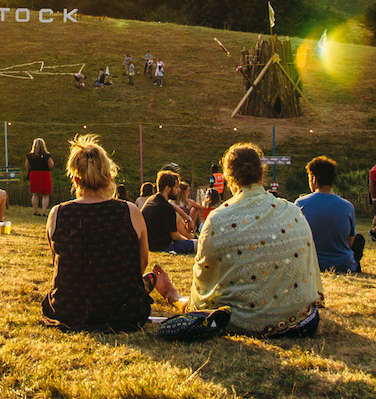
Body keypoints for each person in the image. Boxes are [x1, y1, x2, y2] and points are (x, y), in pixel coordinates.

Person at [150, 143, 323, 337]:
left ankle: (172, 294)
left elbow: (204, 288)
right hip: (301, 323)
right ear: (262, 175)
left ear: (228, 179)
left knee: (209, 310)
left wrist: (173, 295)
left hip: (238, 322)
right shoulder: (292, 211)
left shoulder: (218, 220)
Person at [39, 135, 153, 331]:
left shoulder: (57, 214)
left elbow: (58, 264)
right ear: (109, 178)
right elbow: (141, 262)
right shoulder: (131, 212)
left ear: (75, 180)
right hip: (123, 312)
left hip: (69, 310)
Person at [296, 155, 363, 273]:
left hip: (311, 264)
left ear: (314, 179)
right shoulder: (347, 206)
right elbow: (350, 242)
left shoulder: (301, 203)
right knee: (359, 239)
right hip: (344, 265)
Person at [140, 170, 196, 255]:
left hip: (149, 244)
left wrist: (187, 218)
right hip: (164, 246)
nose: (179, 190)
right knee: (198, 245)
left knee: (177, 216)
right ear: (167, 188)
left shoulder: (153, 200)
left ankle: (192, 237)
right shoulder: (166, 208)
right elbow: (175, 237)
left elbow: (171, 205)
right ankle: (193, 238)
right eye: (176, 187)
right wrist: (189, 242)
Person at [25, 138, 53, 216]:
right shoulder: (47, 156)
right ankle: (44, 212)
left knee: (35, 194)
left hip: (34, 174)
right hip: (45, 174)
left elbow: (27, 166)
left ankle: (35, 211)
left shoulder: (30, 156)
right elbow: (51, 165)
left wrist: (30, 171)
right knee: (45, 194)